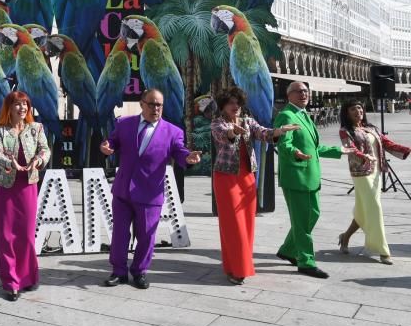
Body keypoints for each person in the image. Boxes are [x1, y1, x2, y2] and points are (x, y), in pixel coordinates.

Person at [99, 88, 201, 290]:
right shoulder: (124, 124)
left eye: (159, 105)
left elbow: (180, 152)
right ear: (142, 104)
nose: (156, 108)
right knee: (120, 233)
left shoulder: (173, 131)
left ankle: (139, 271)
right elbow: (112, 142)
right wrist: (106, 146)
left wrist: (188, 158)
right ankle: (118, 271)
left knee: (146, 235)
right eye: (152, 104)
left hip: (149, 192)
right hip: (123, 190)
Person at [210, 87, 298, 285]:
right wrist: (233, 132)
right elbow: (224, 135)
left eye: (238, 102)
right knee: (233, 225)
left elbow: (263, 133)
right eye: (231, 102)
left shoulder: (248, 121)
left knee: (247, 223)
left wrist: (278, 131)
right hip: (226, 178)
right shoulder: (218, 123)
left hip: (247, 178)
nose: (236, 106)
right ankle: (237, 268)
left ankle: (238, 264)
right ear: (223, 106)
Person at [274, 81, 350, 279]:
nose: (304, 94)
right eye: (299, 91)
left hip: (311, 176)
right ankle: (306, 261)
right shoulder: (286, 115)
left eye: (306, 91)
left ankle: (288, 249)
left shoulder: (304, 115)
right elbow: (284, 145)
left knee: (312, 215)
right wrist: (294, 153)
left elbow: (314, 148)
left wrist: (338, 150)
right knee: (301, 222)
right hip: (296, 176)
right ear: (289, 95)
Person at [0, 91, 49, 300]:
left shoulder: (36, 128)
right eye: (17, 104)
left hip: (28, 187)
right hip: (7, 187)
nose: (22, 108)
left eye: (25, 104)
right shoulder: (0, 131)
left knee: (26, 235)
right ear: (9, 107)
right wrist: (10, 163)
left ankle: (28, 276)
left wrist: (38, 161)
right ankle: (10, 282)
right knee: (6, 236)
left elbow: (45, 150)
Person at [337, 99, 409, 264]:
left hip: (376, 172)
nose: (358, 112)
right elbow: (350, 149)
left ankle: (345, 237)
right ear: (347, 113)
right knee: (375, 207)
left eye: (360, 108)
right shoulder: (345, 130)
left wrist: (406, 149)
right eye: (353, 109)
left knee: (364, 209)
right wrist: (365, 156)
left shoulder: (371, 128)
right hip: (361, 173)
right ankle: (382, 250)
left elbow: (386, 143)